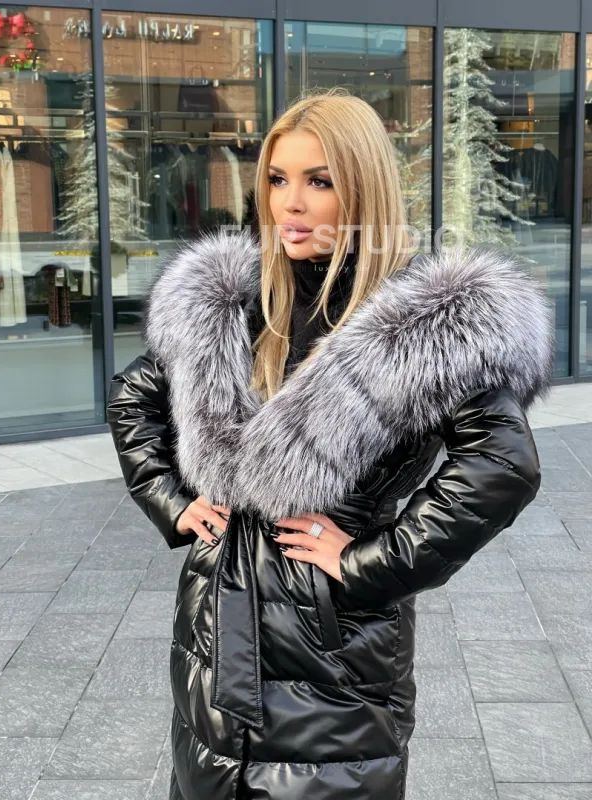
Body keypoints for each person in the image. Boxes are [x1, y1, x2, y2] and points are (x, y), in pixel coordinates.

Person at [107, 87, 554, 800]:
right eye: (277, 179)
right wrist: (172, 500)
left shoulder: (418, 324)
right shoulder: (234, 302)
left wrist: (366, 562)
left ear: (363, 188)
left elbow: (503, 463)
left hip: (333, 651)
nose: (290, 202)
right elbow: (135, 395)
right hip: (214, 636)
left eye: (319, 181)